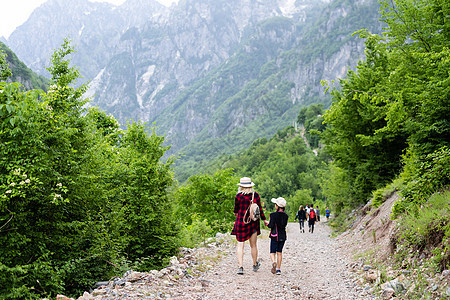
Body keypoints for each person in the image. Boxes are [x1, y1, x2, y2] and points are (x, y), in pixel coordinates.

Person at [231, 177, 268, 275]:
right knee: (253, 245)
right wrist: (264, 219)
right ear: (250, 185)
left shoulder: (238, 196)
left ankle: (240, 267)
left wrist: (237, 212)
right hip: (253, 223)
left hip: (241, 223)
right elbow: (259, 209)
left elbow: (235, 210)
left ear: (241, 186)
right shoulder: (255, 195)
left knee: (240, 245)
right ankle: (255, 264)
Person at [267, 197, 289, 275]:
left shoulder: (273, 215)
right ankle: (278, 269)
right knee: (279, 252)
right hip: (282, 236)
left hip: (274, 236)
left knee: (272, 252)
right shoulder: (286, 216)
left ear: (277, 206)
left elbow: (271, 225)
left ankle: (274, 262)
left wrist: (267, 223)